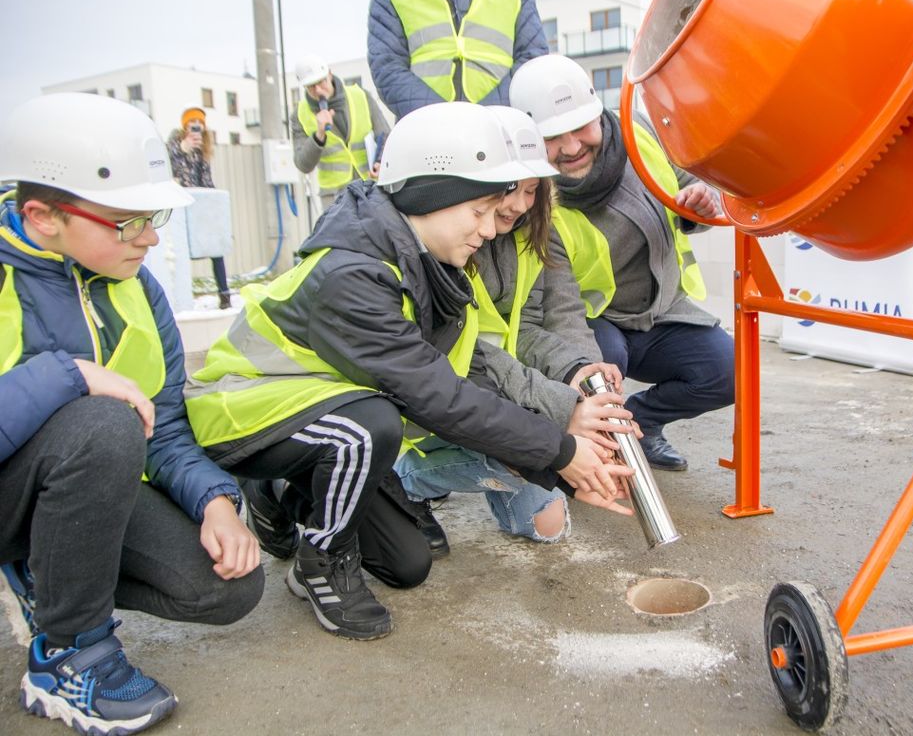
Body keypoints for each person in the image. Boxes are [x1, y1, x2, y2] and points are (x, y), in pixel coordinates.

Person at [185, 101, 632, 641]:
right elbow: (437, 395)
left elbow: (468, 366)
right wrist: (560, 452)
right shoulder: (353, 276)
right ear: (433, 194)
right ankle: (318, 561)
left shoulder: (428, 263)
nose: (492, 231)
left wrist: (554, 441)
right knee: (375, 421)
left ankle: (282, 493)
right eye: (481, 211)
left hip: (328, 413)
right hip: (249, 407)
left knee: (409, 563)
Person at [0, 93, 264, 736]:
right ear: (41, 216)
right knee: (103, 418)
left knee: (229, 587)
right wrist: (66, 374)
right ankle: (65, 655)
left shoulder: (136, 286)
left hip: (67, 486)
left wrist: (216, 503)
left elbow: (164, 424)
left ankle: (50, 572)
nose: (147, 237)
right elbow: (107, 414)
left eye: (152, 218)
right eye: (126, 221)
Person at [395, 106, 630, 555]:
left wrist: (576, 372)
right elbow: (473, 354)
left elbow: (527, 329)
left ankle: (496, 466)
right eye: (511, 189)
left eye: (532, 189)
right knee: (544, 454)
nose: (521, 203)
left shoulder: (528, 233)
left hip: (504, 388)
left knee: (547, 525)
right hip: (452, 393)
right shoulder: (452, 242)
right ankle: (407, 479)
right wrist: (560, 416)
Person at [510, 54, 734, 472]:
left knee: (728, 371)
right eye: (552, 138)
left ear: (598, 112)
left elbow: (694, 189)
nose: (572, 147)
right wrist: (584, 371)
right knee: (598, 370)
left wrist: (699, 206)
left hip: (661, 312)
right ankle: (590, 441)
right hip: (599, 323)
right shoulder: (538, 204)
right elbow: (562, 309)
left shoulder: (642, 133)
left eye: (580, 127)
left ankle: (643, 425)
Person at [367, 0, 549, 120]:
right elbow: (386, 68)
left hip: (503, 132)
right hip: (426, 139)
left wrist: (488, 117)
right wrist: (446, 120)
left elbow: (532, 60)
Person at [291, 53, 392, 211]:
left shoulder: (360, 96)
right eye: (311, 86)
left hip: (370, 187)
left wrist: (380, 161)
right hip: (334, 198)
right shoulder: (300, 115)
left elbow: (385, 134)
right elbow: (303, 164)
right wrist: (319, 136)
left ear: (329, 74)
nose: (318, 90)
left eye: (320, 82)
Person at [167, 106, 233, 309]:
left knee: (216, 249)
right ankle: (181, 294)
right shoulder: (174, 146)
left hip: (199, 204)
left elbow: (206, 179)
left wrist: (213, 207)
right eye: (192, 125)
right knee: (181, 250)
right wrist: (183, 150)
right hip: (180, 205)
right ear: (184, 126)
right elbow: (170, 172)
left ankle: (224, 294)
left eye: (199, 126)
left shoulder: (203, 150)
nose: (196, 130)